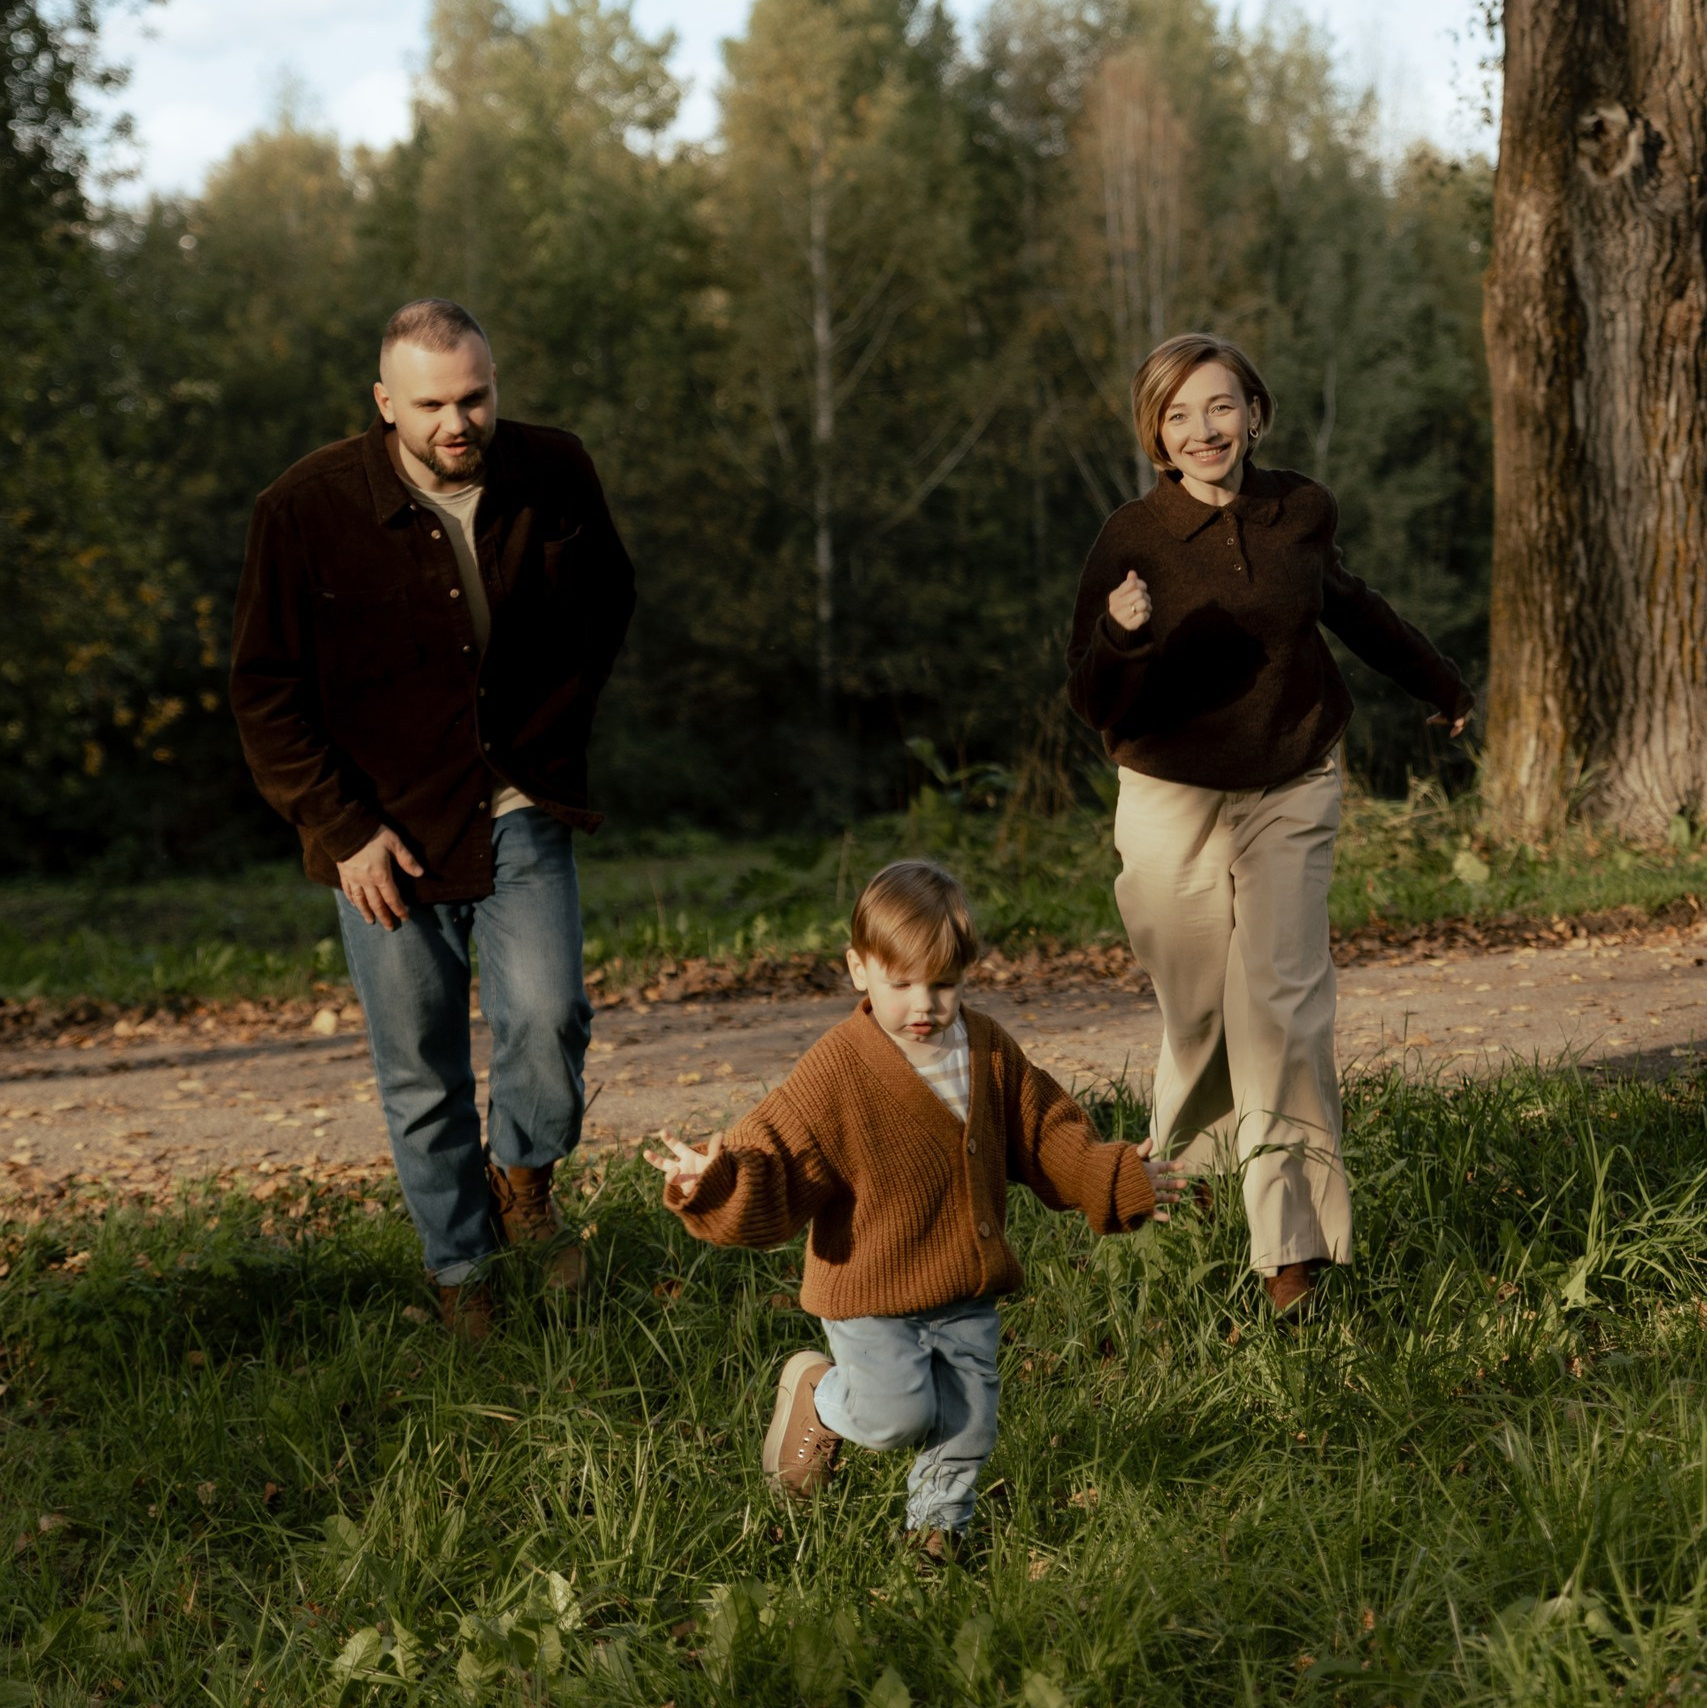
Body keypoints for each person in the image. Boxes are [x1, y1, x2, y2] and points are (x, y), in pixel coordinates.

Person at [230, 298, 635, 1341]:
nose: (459, 422)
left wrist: (552, 728)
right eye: (433, 405)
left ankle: (525, 1178)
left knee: (547, 1018)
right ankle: (462, 1275)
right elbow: (265, 693)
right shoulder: (305, 509)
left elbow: (608, 600)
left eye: (476, 397)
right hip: (380, 838)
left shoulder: (554, 470)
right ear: (383, 404)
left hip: (515, 800)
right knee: (420, 1066)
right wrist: (341, 827)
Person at [1066, 332, 1473, 1318]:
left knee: (1283, 1004)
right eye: (1179, 415)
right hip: (1170, 790)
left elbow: (1348, 603)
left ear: (1254, 410)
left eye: (1220, 406)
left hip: (1293, 778)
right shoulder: (1132, 535)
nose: (1204, 429)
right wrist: (1124, 637)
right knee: (1200, 1012)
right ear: (1157, 435)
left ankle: (1291, 1252)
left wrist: (1436, 677)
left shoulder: (1301, 510)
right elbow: (1088, 696)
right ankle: (1191, 1186)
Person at [644, 861, 1184, 1560]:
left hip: (963, 1281)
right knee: (898, 1417)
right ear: (858, 970)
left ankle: (937, 1532)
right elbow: (774, 1148)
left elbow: (1045, 1132)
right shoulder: (838, 1066)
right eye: (901, 984)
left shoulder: (986, 1050)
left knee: (967, 1419)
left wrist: (1112, 1175)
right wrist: (713, 1179)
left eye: (944, 983)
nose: (924, 1004)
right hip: (867, 1289)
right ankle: (819, 1395)